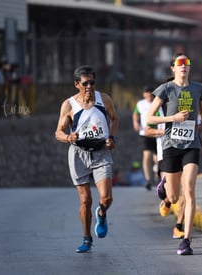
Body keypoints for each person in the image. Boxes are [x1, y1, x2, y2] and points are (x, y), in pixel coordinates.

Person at [147, 52, 202, 255]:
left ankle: (186, 240)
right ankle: (165, 189)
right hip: (171, 145)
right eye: (180, 63)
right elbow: (150, 118)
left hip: (191, 144)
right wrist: (173, 118)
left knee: (189, 190)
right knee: (175, 197)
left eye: (187, 63)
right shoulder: (165, 89)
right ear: (173, 68)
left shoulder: (198, 88)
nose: (184, 66)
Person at [55, 65, 119, 253]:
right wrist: (68, 138)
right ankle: (87, 238)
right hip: (78, 154)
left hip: (101, 152)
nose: (89, 86)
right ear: (77, 84)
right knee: (85, 200)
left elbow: (115, 119)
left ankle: (101, 213)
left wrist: (112, 138)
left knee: (106, 198)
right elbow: (58, 132)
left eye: (92, 82)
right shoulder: (69, 105)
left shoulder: (104, 99)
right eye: (85, 83)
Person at [144, 113, 185, 239]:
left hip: (186, 151)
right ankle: (167, 198)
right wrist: (166, 131)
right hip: (165, 154)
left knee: (186, 191)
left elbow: (199, 127)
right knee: (173, 196)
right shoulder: (159, 110)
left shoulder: (188, 105)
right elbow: (147, 131)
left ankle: (178, 227)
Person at [132, 85, 160, 190]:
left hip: (157, 132)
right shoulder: (140, 104)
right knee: (147, 155)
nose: (149, 97)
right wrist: (135, 122)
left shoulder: (157, 102)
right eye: (147, 95)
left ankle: (157, 173)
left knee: (157, 158)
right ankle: (148, 180)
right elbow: (135, 114)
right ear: (144, 95)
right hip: (145, 133)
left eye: (150, 94)